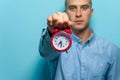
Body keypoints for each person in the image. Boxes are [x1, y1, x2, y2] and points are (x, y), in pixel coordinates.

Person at [39, 0, 120, 80]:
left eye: (84, 8)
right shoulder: (57, 45)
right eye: (72, 8)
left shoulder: (112, 51)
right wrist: (51, 31)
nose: (78, 14)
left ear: (91, 12)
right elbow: (45, 53)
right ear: (66, 12)